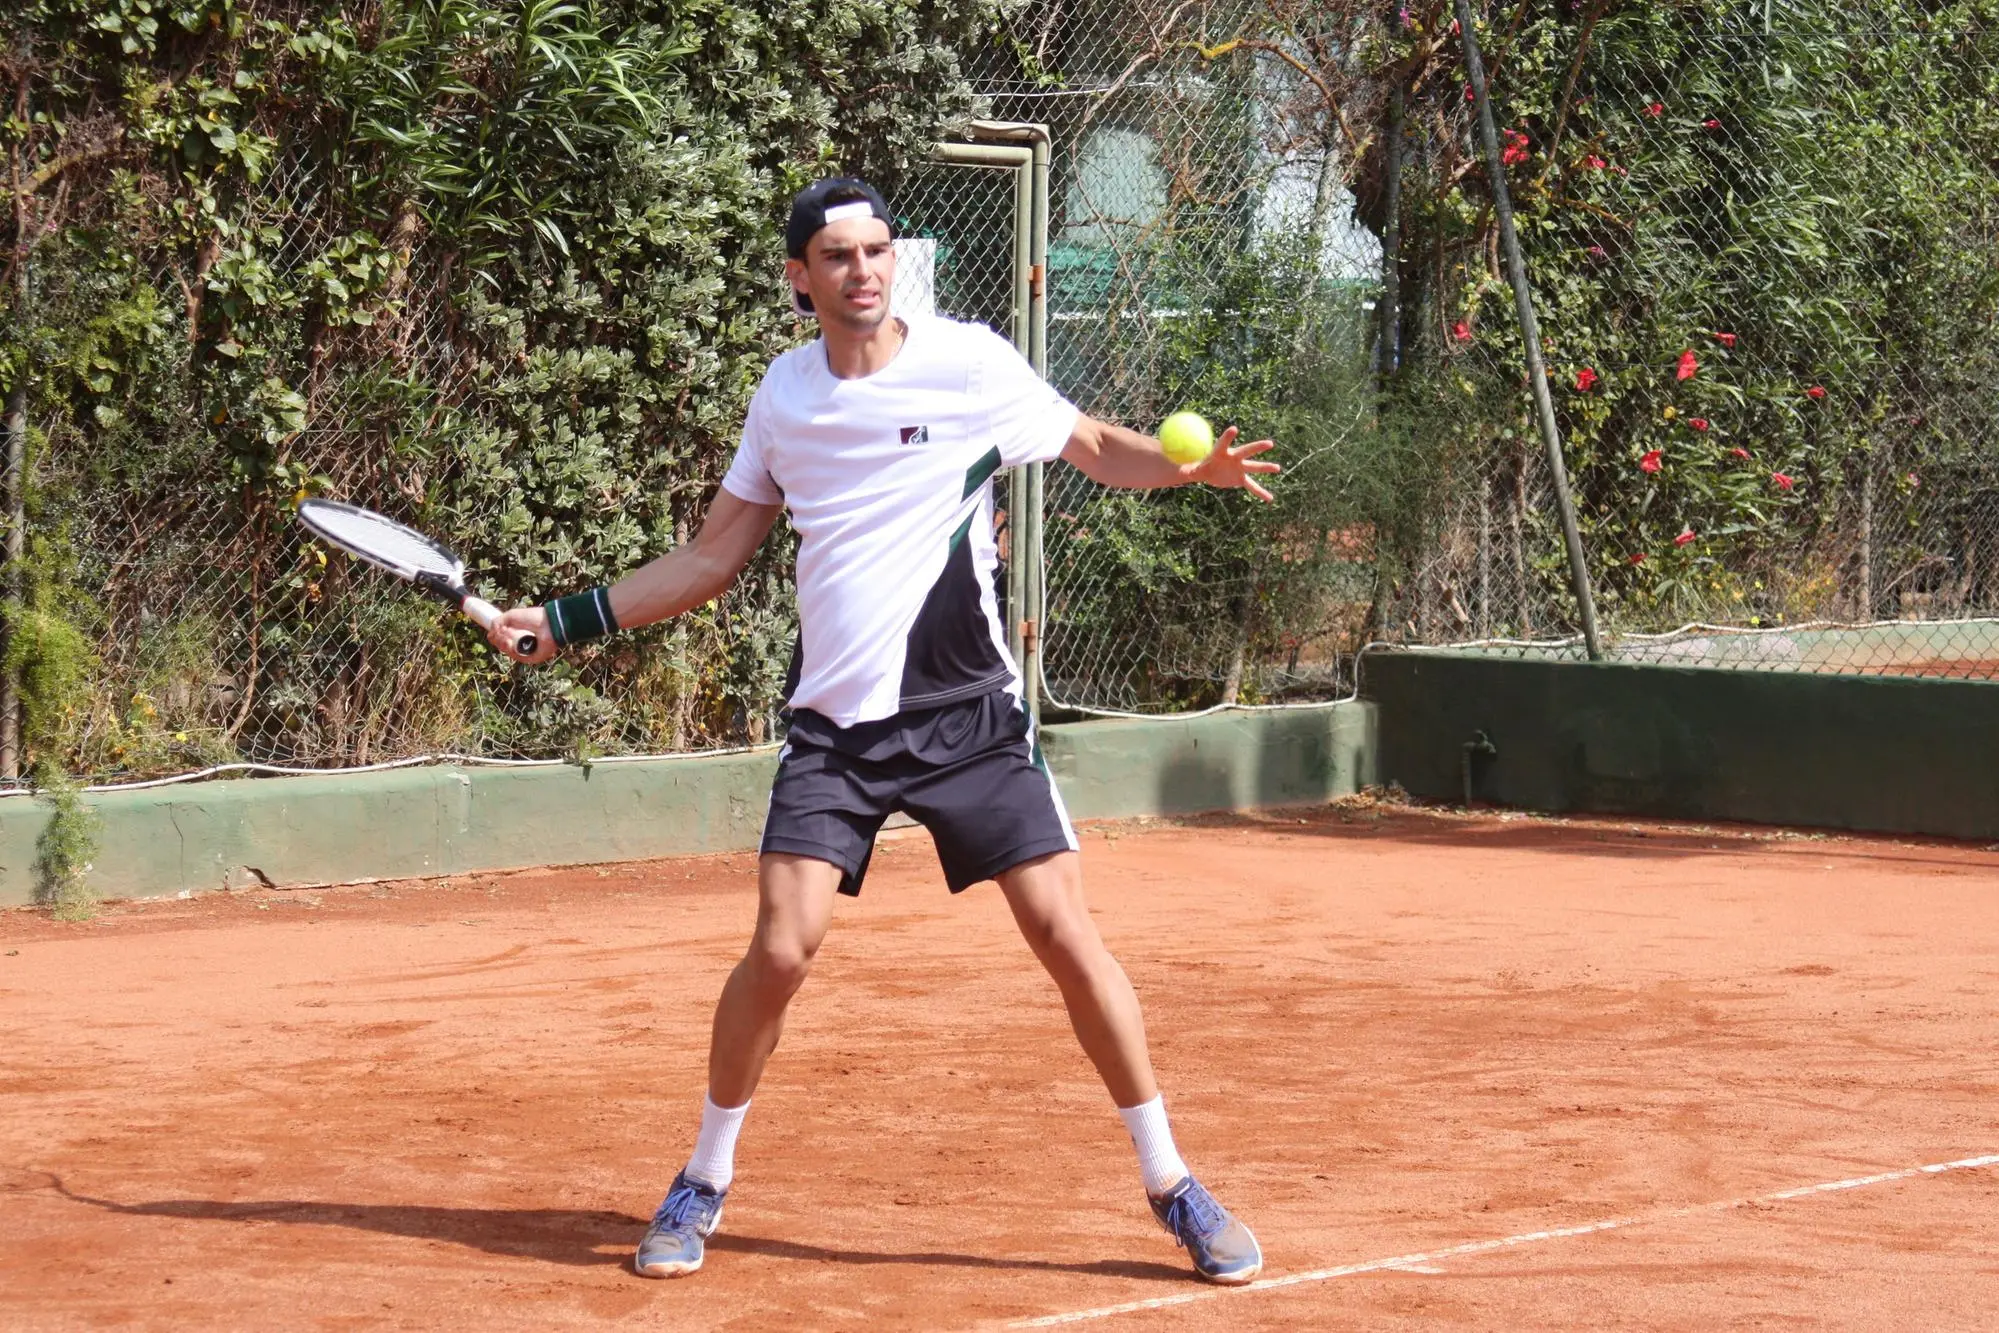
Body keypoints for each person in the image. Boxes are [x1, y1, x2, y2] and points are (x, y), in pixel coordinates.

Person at [489, 177, 1281, 1285]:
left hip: (970, 717)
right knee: (780, 947)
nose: (862, 270)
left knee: (1064, 933)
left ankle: (1172, 1182)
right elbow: (712, 556)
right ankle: (703, 1178)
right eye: (837, 255)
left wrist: (1184, 462)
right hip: (837, 729)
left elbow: (1096, 443)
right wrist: (567, 621)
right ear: (799, 277)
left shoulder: (969, 364)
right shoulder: (785, 395)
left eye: (876, 250)